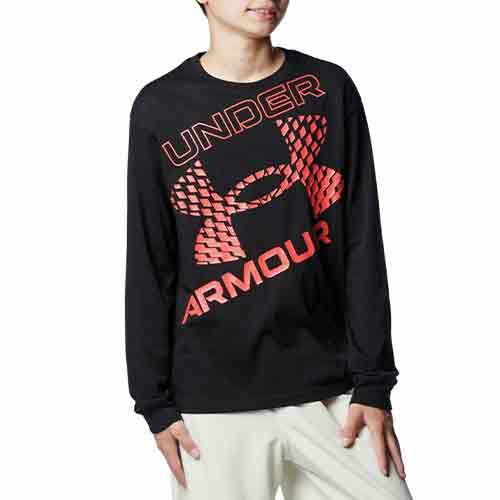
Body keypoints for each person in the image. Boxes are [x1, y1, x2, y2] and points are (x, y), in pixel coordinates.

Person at [125, 1, 414, 498]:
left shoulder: (326, 87)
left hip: (333, 388)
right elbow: (151, 259)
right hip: (213, 402)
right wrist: (154, 402)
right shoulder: (161, 107)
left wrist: (374, 382)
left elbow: (361, 240)